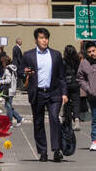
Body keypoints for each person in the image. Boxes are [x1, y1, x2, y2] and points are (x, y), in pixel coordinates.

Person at [22, 28, 68, 162]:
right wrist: (24, 72)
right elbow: (20, 70)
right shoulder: (28, 55)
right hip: (37, 93)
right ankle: (42, 152)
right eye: (41, 38)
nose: (44, 40)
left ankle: (57, 150)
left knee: (54, 118)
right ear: (36, 40)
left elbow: (61, 76)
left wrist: (64, 93)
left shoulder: (56, 55)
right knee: (38, 122)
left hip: (53, 93)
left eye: (46, 38)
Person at [77, 39, 96, 152]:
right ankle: (94, 141)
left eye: (93, 51)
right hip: (94, 96)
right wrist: (89, 89)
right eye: (89, 52)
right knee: (95, 119)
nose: (92, 53)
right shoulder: (84, 63)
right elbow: (79, 78)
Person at [0, 48, 23, 126]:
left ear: (5, 62)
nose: (2, 64)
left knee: (8, 107)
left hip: (8, 90)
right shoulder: (13, 68)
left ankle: (10, 123)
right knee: (8, 106)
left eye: (2, 62)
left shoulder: (7, 69)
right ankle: (19, 118)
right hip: (13, 89)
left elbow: (8, 80)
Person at [63, 43, 82, 129]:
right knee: (76, 102)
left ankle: (67, 119)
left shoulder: (63, 61)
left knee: (66, 102)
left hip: (66, 84)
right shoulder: (77, 61)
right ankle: (77, 120)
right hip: (75, 83)